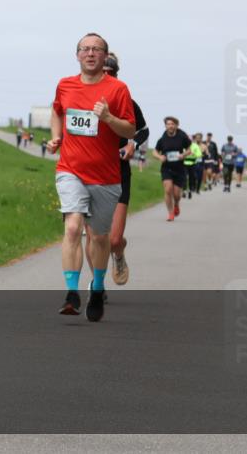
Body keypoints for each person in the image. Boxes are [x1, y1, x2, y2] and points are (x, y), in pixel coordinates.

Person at [46, 33, 135, 322]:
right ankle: (72, 293)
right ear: (77, 55)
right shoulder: (65, 84)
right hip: (70, 169)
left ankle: (97, 287)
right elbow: (57, 110)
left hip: (106, 177)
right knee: (72, 228)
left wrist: (109, 118)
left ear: (104, 56)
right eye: (85, 49)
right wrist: (56, 136)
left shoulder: (118, 89)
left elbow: (130, 131)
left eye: (96, 49)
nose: (90, 53)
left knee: (98, 237)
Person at [84, 53, 148, 287]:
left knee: (114, 238)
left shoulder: (126, 101)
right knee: (92, 236)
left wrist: (133, 144)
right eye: (104, 72)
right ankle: (97, 283)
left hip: (118, 172)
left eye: (113, 73)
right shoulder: (82, 98)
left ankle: (118, 254)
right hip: (89, 171)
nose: (108, 77)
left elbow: (143, 130)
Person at [152, 118, 191, 220]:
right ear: (165, 126)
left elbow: (190, 149)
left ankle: (176, 204)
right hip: (166, 168)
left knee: (177, 194)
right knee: (168, 189)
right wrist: (160, 157)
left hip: (179, 168)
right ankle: (170, 213)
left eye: (172, 124)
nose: (170, 126)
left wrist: (183, 155)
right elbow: (154, 152)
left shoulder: (182, 137)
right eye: (168, 124)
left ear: (176, 126)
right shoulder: (162, 139)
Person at [184, 133, 202, 199]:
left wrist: (194, 153)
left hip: (192, 163)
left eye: (190, 139)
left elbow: (199, 154)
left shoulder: (195, 146)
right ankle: (184, 190)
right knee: (184, 177)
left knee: (192, 177)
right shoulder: (183, 145)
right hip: (184, 163)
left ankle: (190, 190)